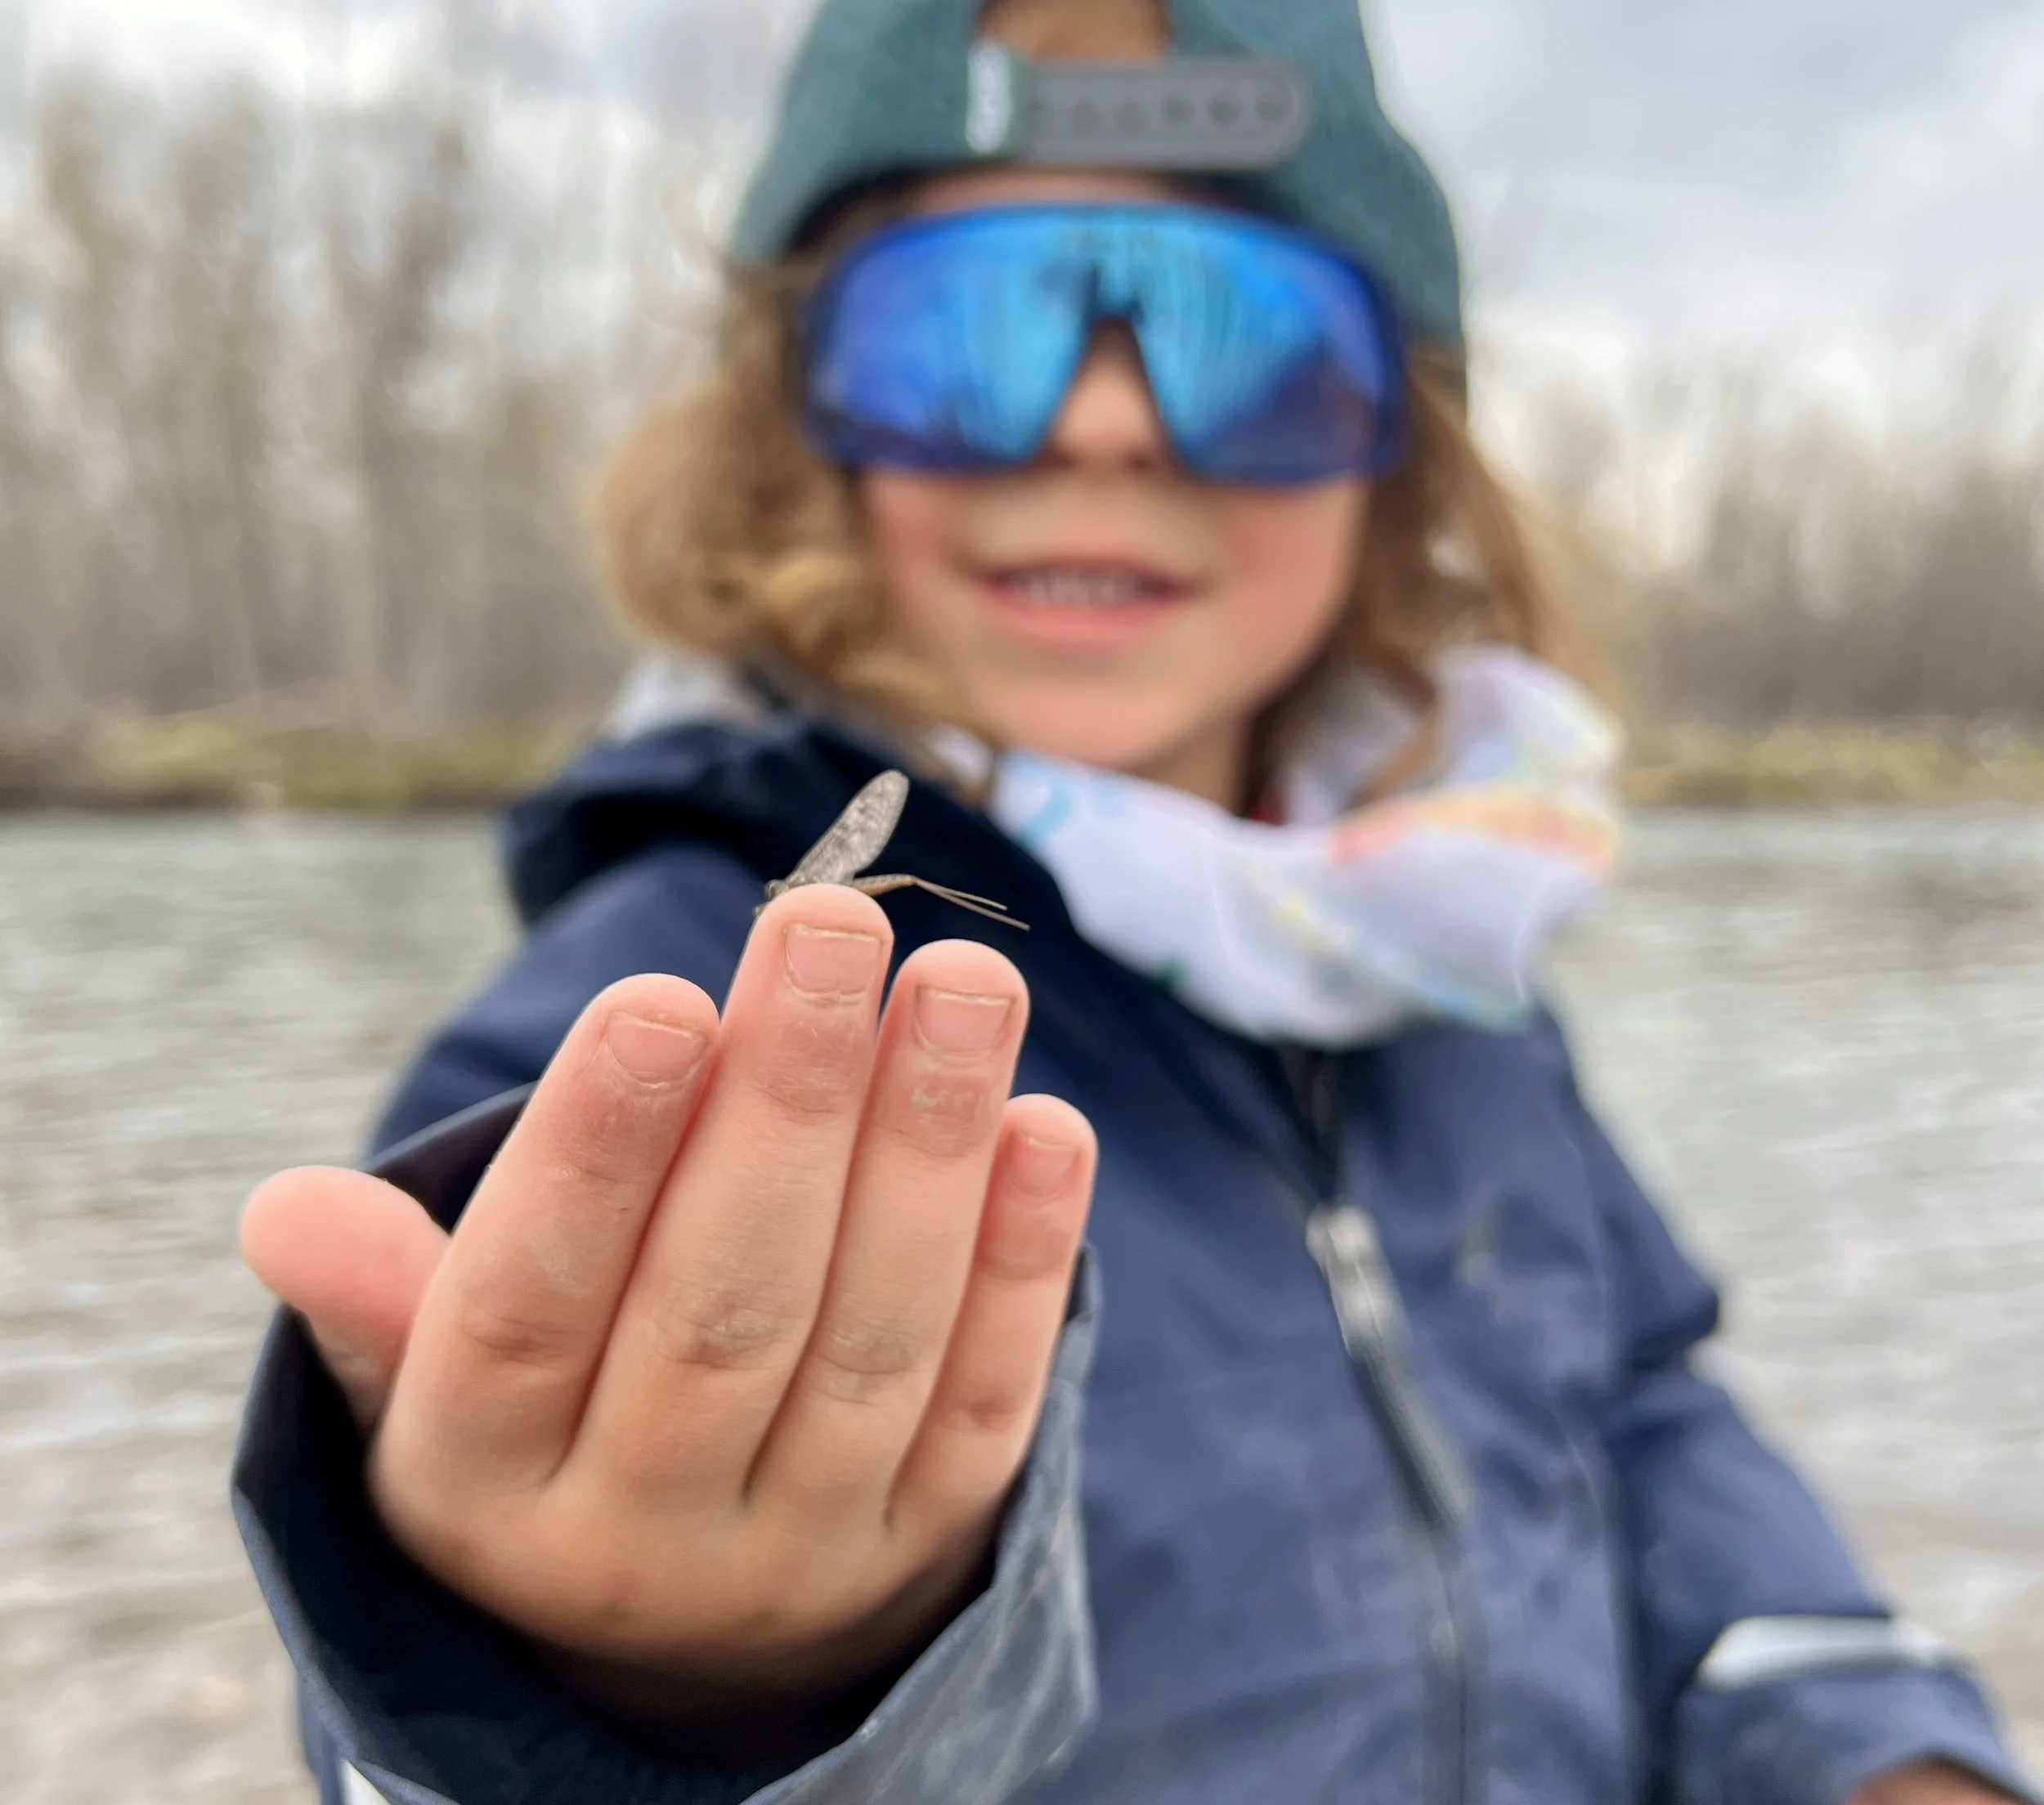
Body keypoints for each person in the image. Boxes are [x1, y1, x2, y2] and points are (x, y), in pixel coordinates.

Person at [231, 2, 2036, 1801]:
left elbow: (1637, 1405)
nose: (1101, 423)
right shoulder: (630, 1018)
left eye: (1237, 343)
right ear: (805, 439)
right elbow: (412, 1708)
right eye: (968, 334)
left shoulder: (1453, 964)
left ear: (1388, 453)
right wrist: (666, 1689)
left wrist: (1865, 1747)